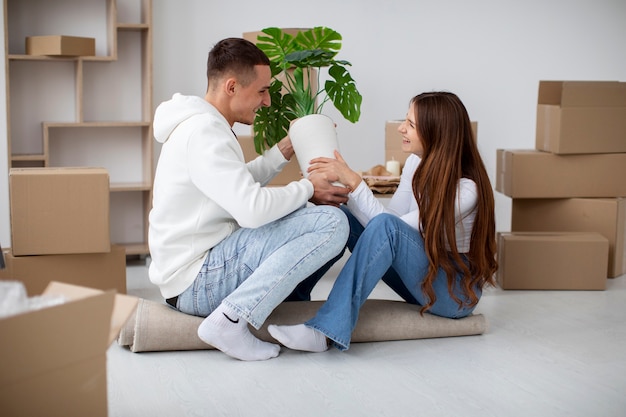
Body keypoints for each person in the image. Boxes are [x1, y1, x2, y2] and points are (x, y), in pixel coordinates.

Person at [148, 37, 350, 361]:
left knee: (314, 213)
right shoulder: (204, 133)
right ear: (231, 87)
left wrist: (285, 148)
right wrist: (309, 188)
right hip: (196, 282)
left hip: (195, 272)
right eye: (261, 90)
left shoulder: (202, 125)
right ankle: (230, 320)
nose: (267, 101)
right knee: (330, 223)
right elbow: (251, 210)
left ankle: (279, 303)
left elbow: (236, 184)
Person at [268, 91, 498, 352]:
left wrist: (353, 181)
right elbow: (390, 220)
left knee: (384, 227)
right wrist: (341, 189)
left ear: (436, 132)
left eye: (411, 124)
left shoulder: (467, 190)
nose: (401, 128)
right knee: (338, 218)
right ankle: (293, 302)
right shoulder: (415, 163)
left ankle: (326, 332)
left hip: (452, 294)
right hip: (424, 277)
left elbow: (390, 228)